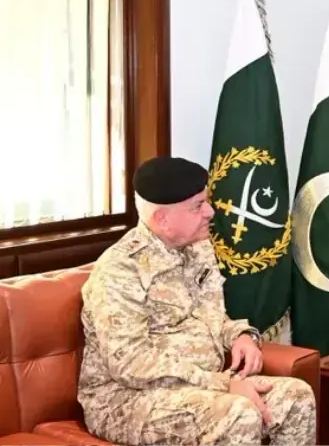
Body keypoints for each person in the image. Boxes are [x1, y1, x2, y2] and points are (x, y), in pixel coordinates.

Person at [78, 156, 316, 445]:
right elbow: (131, 364)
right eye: (197, 206)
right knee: (238, 412)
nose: (211, 212)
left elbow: (211, 314)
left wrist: (239, 335)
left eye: (206, 201)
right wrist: (224, 384)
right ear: (162, 219)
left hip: (201, 387)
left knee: (295, 397)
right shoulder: (120, 270)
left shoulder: (198, 248)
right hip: (126, 402)